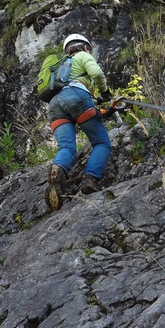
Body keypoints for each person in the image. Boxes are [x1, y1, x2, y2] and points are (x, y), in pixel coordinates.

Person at [45, 33, 112, 211]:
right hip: (77, 97)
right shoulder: (82, 55)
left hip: (54, 104)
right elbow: (96, 73)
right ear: (85, 47)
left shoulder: (59, 66)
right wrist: (105, 92)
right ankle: (90, 178)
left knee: (66, 148)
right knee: (101, 143)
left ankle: (58, 170)